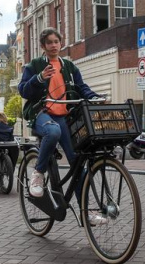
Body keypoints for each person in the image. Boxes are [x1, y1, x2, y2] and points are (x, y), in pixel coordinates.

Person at [19, 28, 100, 202]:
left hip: (63, 116)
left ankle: (87, 210)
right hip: (41, 113)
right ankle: (38, 173)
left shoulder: (69, 66)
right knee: (53, 131)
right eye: (49, 42)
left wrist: (94, 97)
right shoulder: (34, 65)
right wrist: (39, 78)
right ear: (43, 45)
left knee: (77, 162)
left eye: (56, 41)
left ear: (60, 43)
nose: (53, 45)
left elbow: (81, 87)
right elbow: (23, 91)